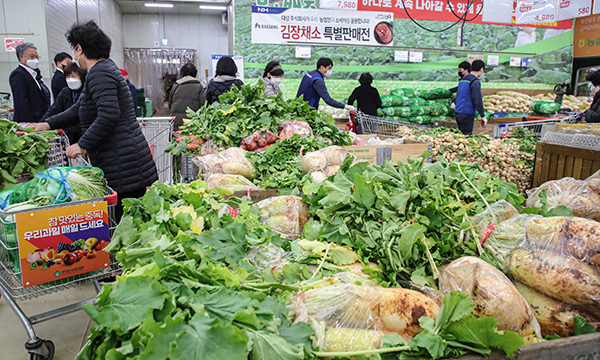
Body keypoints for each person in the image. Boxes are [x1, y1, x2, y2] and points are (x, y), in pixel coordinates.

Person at [32, 20, 158, 220]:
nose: (75, 56)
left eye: (74, 50)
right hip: (123, 160)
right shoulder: (102, 71)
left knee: (126, 221)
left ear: (79, 48)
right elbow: (78, 109)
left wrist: (83, 144)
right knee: (129, 220)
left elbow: (109, 114)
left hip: (122, 163)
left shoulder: (100, 73)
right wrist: (47, 124)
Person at [41, 62, 86, 144]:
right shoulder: (65, 92)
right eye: (68, 77)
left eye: (74, 76)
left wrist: (67, 130)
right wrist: (42, 124)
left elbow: (81, 116)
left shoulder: (86, 92)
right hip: (68, 137)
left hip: (82, 134)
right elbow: (54, 110)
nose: (71, 80)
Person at [9, 42, 51, 123]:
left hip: (39, 119)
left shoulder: (34, 75)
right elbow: (21, 103)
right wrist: (29, 125)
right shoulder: (18, 74)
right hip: (30, 121)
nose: (35, 60)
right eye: (32, 57)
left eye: (37, 57)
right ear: (21, 57)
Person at [169, 62, 206, 130]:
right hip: (192, 122)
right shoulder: (199, 86)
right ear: (195, 73)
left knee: (177, 139)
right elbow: (203, 105)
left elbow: (170, 104)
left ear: (182, 73)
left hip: (176, 121)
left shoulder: (176, 86)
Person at [454, 59, 487, 135]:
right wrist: (482, 115)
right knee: (466, 138)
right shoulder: (474, 81)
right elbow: (477, 99)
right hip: (467, 114)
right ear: (481, 69)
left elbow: (460, 95)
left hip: (458, 113)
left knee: (461, 136)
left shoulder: (463, 80)